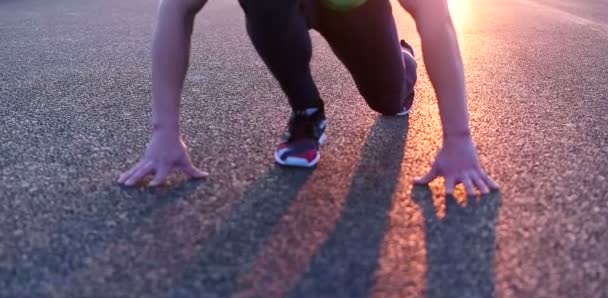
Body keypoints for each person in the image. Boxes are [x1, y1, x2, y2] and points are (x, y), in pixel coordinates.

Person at [118, 0, 499, 196]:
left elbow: (436, 17)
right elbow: (177, 8)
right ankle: (307, 111)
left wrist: (458, 138)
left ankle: (402, 65)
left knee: (389, 100)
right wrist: (164, 130)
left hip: (356, 9)